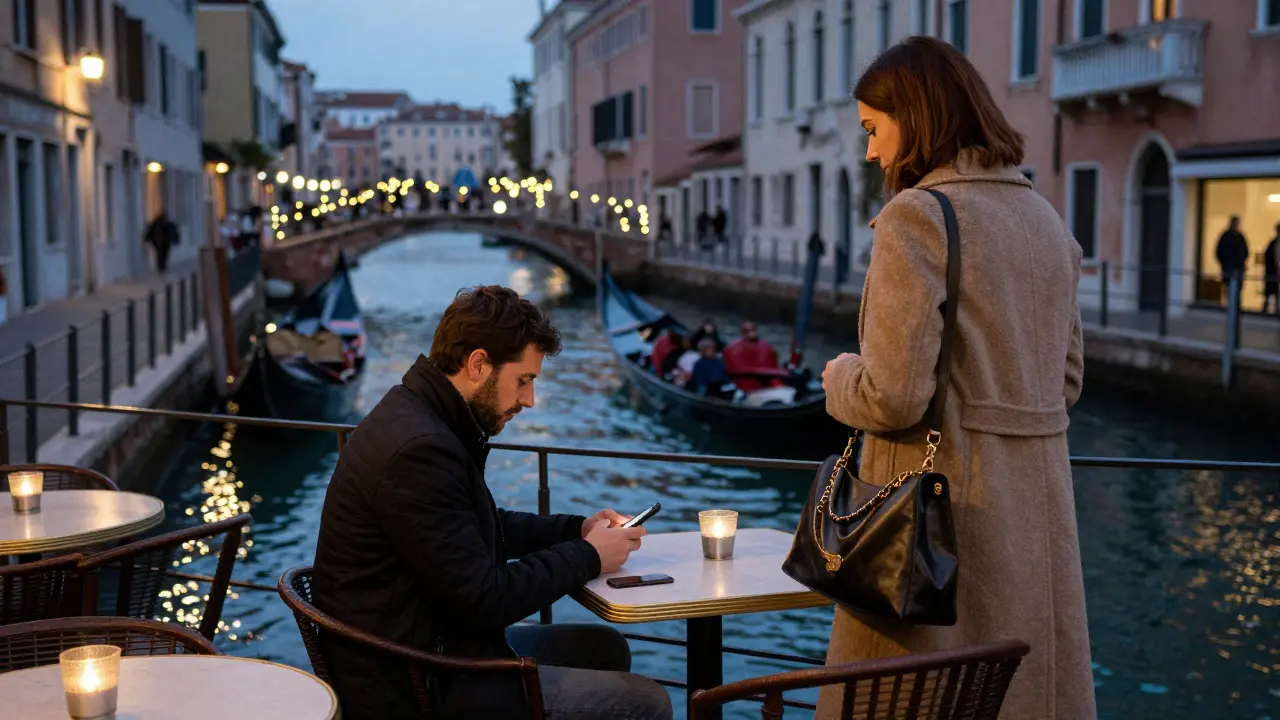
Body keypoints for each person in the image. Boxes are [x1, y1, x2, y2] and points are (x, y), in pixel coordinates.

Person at [817, 36, 1095, 719]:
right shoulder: (1044, 217)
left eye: (874, 130)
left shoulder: (918, 217)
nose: (872, 152)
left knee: (920, 699)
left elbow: (892, 394)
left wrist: (838, 377)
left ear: (916, 117)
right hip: (1039, 521)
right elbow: (1066, 384)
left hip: (939, 533)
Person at [311, 286, 672, 720]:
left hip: (426, 645)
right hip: (420, 683)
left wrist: (575, 529)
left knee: (602, 647)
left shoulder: (418, 415)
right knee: (648, 702)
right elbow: (482, 600)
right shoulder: (420, 448)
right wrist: (588, 557)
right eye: (524, 380)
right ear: (479, 364)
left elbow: (474, 527)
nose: (529, 400)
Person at [722, 320, 780, 392]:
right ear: (742, 332)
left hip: (764, 386)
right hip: (743, 387)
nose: (750, 332)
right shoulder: (733, 349)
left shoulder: (767, 347)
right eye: (746, 330)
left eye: (752, 329)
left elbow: (773, 369)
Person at [1216, 215, 1249, 306]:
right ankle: (1230, 306)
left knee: (1236, 288)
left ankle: (1234, 306)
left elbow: (1245, 252)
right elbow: (1219, 252)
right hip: (1229, 267)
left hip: (1236, 267)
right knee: (1228, 287)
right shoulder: (1227, 237)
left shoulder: (1239, 237)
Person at [1263, 224, 1278, 315]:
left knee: (1273, 292)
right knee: (1271, 291)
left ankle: (1273, 308)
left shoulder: (1273, 243)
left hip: (1273, 272)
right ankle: (1270, 308)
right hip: (1273, 272)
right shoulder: (1273, 244)